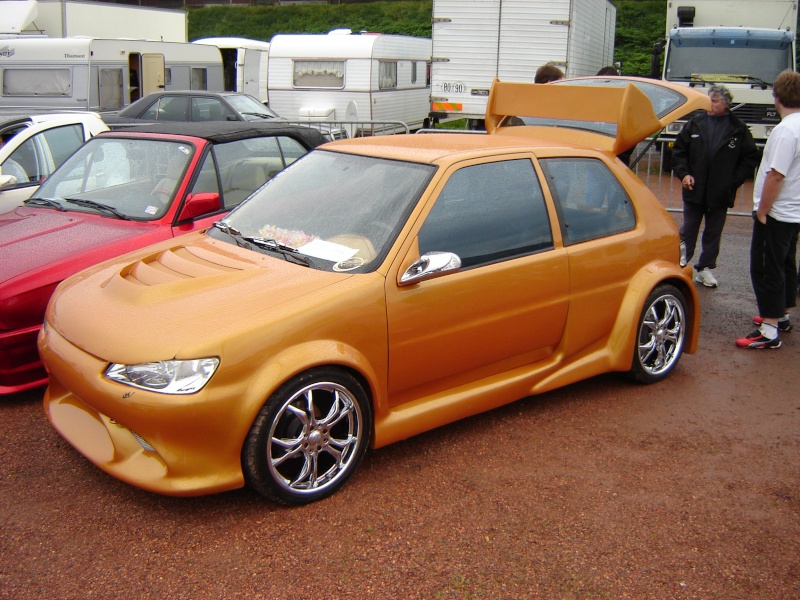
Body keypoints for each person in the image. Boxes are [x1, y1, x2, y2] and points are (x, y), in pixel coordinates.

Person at [736, 69, 800, 349]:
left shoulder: (786, 131)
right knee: (785, 262)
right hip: (793, 210)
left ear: (777, 97)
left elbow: (776, 175)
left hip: (778, 210)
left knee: (765, 266)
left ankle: (770, 328)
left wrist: (763, 209)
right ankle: (781, 313)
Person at [671, 84, 759, 288]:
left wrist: (733, 180)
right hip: (694, 189)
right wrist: (684, 174)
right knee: (688, 229)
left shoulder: (738, 128)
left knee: (713, 231)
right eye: (708, 99)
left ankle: (704, 267)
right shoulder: (695, 123)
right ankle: (680, 264)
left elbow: (750, 157)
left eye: (714, 100)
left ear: (726, 104)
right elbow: (679, 151)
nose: (710, 104)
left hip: (720, 192)